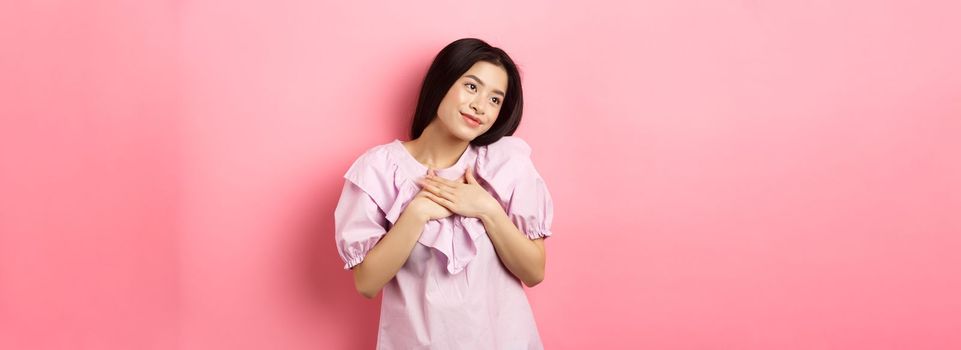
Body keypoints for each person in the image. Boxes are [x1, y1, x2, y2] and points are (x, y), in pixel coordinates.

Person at [333, 37, 554, 349]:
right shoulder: (379, 170)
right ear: (442, 82)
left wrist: (486, 208)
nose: (480, 106)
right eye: (472, 87)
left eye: (495, 99)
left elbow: (534, 271)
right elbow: (367, 283)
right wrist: (417, 213)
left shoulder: (506, 164)